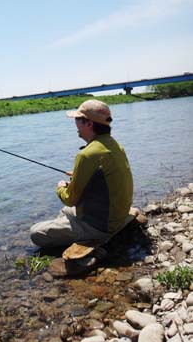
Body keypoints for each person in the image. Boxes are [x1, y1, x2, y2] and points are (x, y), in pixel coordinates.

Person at [30, 99, 133, 249]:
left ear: (89, 124)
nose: (75, 124)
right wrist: (79, 175)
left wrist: (60, 187)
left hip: (103, 226)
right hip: (119, 215)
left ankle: (88, 237)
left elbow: (70, 199)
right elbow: (106, 175)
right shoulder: (115, 145)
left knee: (36, 232)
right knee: (65, 212)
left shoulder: (87, 155)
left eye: (77, 119)